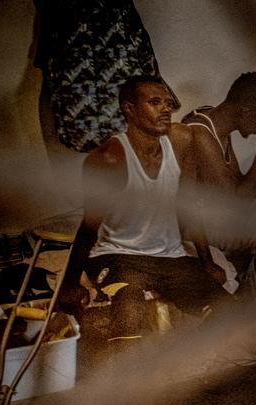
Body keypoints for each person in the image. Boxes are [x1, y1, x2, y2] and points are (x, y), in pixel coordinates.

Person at [60, 74, 227, 340]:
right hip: (117, 255)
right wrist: (69, 284)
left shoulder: (182, 141)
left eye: (169, 103)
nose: (166, 109)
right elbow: (89, 228)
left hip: (170, 257)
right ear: (129, 109)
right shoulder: (110, 158)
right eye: (154, 102)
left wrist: (206, 262)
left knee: (229, 311)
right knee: (130, 307)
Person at [178, 72, 256, 291]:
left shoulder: (217, 123)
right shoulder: (199, 133)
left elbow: (238, 184)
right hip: (196, 229)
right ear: (246, 111)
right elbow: (235, 200)